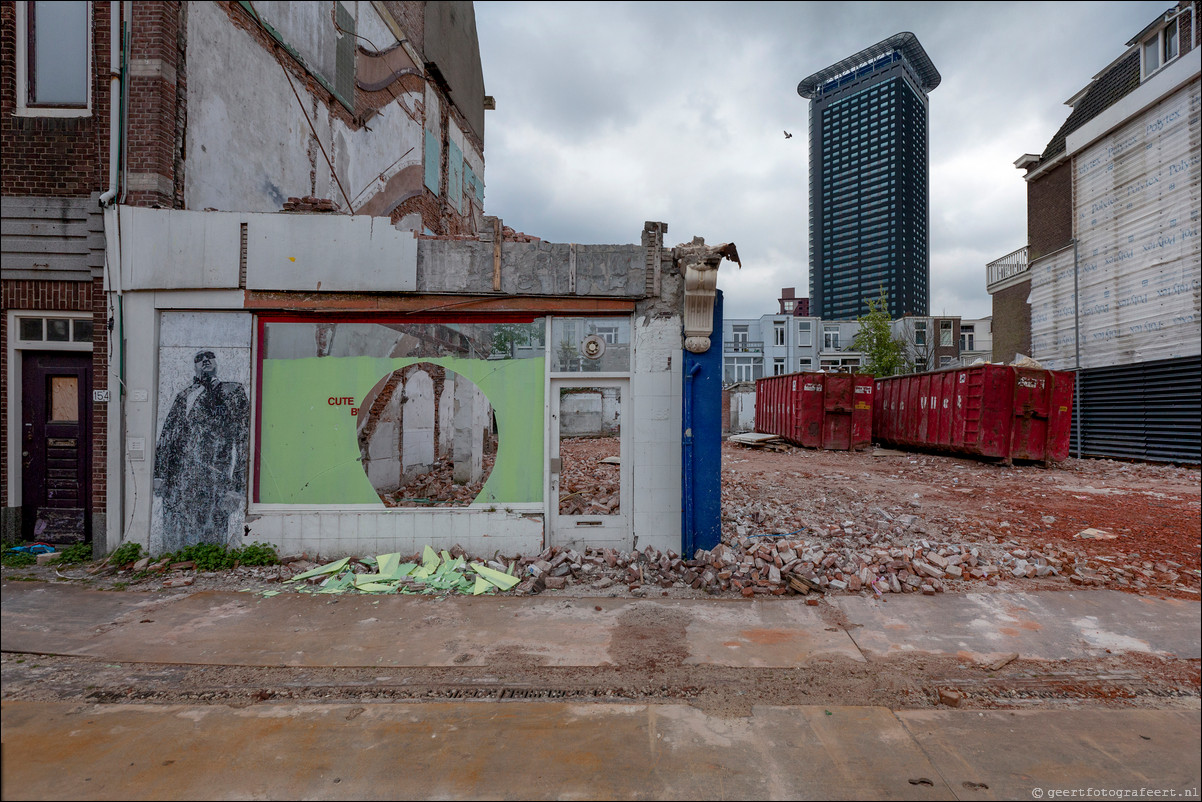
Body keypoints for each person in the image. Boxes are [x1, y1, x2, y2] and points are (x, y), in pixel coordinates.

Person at [153, 350, 249, 550]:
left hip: (216, 479)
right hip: (181, 479)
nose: (205, 360)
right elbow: (168, 435)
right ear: (194, 366)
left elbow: (243, 439)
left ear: (216, 362)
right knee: (178, 534)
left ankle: (210, 563)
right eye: (199, 359)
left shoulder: (233, 391)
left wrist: (237, 488)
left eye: (209, 357)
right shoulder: (184, 396)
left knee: (212, 533)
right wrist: (160, 475)